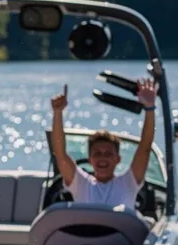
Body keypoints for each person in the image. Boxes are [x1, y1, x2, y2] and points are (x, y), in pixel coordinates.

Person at [49, 78, 156, 209]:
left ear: (118, 159)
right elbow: (60, 154)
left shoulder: (129, 182)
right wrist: (57, 113)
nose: (102, 157)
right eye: (97, 153)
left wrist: (150, 108)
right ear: (90, 159)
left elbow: (145, 147)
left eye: (108, 153)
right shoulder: (80, 183)